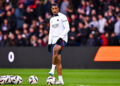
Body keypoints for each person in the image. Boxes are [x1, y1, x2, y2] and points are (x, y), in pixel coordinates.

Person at [48, 3, 70, 85]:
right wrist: (49, 43)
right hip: (54, 40)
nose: (54, 10)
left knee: (55, 50)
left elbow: (67, 28)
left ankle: (52, 70)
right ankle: (61, 80)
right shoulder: (51, 19)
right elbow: (51, 31)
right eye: (53, 8)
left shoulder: (63, 17)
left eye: (55, 8)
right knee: (58, 61)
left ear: (58, 9)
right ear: (51, 9)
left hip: (62, 39)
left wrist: (61, 37)